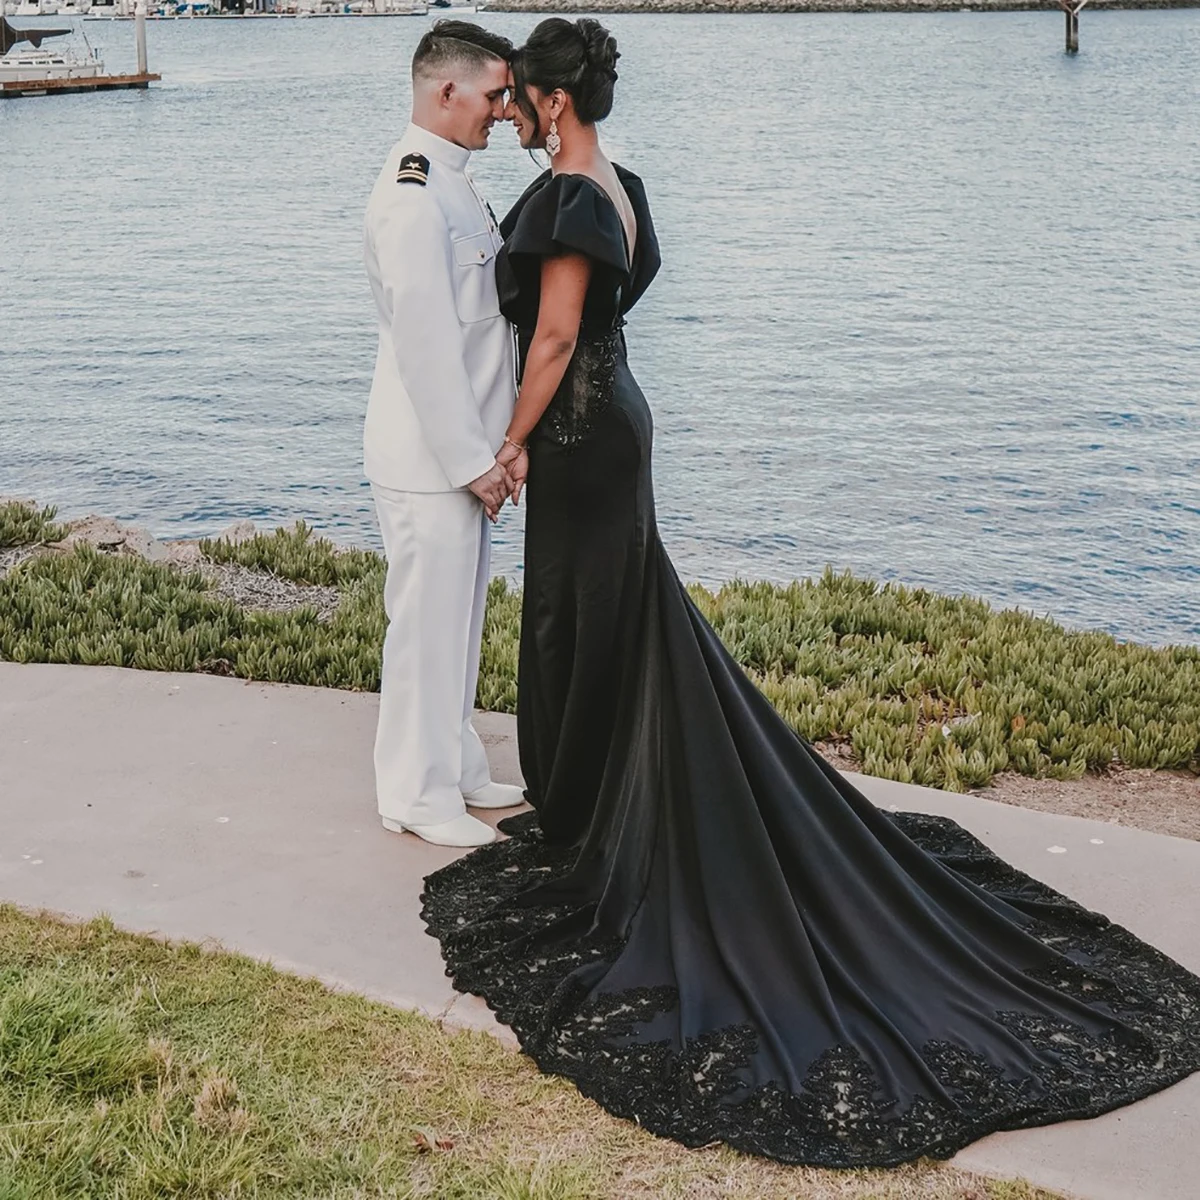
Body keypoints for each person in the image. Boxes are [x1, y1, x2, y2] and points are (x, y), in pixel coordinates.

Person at [421, 16, 1200, 1166]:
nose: (512, 116)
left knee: (582, 624)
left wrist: (508, 447)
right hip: (618, 423)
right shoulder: (622, 185)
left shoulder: (573, 197)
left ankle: (599, 821)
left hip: (581, 434)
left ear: (555, 100)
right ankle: (599, 801)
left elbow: (555, 341)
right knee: (616, 625)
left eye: (521, 99)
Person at [362, 20, 524, 849]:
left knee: (456, 624)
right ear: (445, 90)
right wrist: (473, 460)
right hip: (432, 457)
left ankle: (454, 764)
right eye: (495, 94)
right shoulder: (413, 193)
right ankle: (416, 795)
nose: (506, 109)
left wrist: (497, 447)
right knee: (424, 629)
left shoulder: (456, 184)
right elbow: (428, 347)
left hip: (464, 453)